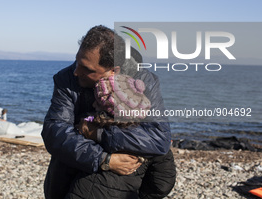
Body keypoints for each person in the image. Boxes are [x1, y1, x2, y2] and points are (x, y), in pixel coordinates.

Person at [42, 25, 175, 199]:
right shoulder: (66, 78)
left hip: (123, 177)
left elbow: (159, 138)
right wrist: (104, 159)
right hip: (73, 167)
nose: (76, 72)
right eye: (77, 62)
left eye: (87, 69)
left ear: (113, 71)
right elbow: (54, 131)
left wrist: (98, 133)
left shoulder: (144, 80)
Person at [67, 74, 176, 198]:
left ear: (109, 108)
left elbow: (64, 168)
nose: (93, 104)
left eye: (97, 101)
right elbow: (162, 183)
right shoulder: (151, 141)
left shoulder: (87, 128)